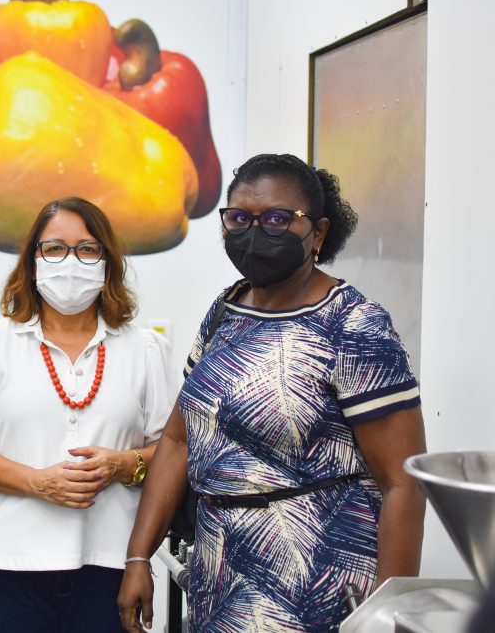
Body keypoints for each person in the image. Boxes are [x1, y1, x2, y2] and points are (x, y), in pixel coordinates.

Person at [118, 153, 427, 633]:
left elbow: (403, 482)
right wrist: (139, 556)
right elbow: (179, 440)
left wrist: (386, 616)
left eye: (278, 219)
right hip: (218, 581)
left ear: (318, 233)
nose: (254, 232)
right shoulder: (226, 309)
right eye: (239, 218)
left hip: (316, 587)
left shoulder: (354, 326)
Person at [0, 197, 176, 633]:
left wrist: (124, 464)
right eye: (54, 249)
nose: (71, 262)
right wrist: (40, 483)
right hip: (10, 565)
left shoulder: (144, 348)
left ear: (108, 262)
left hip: (112, 562)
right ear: (32, 261)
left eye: (88, 249)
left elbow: (172, 448)